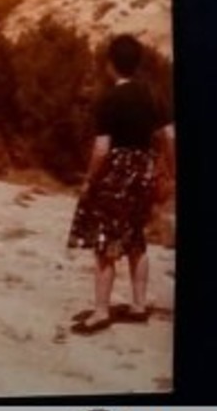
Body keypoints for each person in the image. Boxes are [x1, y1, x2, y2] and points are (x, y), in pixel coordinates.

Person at [67, 33, 175, 334]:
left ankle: (101, 311)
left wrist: (90, 179)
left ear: (111, 64)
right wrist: (170, 170)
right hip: (144, 169)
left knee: (106, 242)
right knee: (136, 237)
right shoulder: (154, 95)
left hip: (117, 172)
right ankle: (139, 305)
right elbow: (170, 136)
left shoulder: (109, 99)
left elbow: (102, 148)